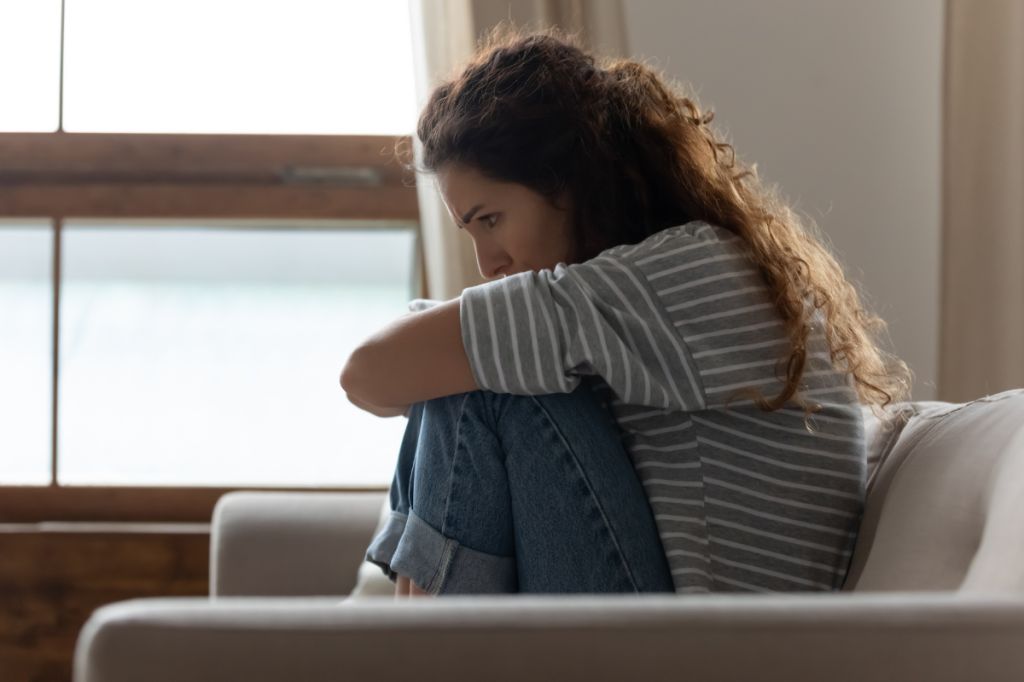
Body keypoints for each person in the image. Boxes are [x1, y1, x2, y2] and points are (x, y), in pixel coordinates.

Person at [339, 28, 910, 597]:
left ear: (572, 183)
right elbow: (389, 374)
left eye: (490, 220)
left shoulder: (683, 275)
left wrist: (454, 349)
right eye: (470, 231)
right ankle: (417, 641)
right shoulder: (651, 281)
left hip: (702, 650)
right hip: (679, 628)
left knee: (481, 376)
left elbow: (368, 372)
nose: (488, 262)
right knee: (476, 359)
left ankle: (416, 645)